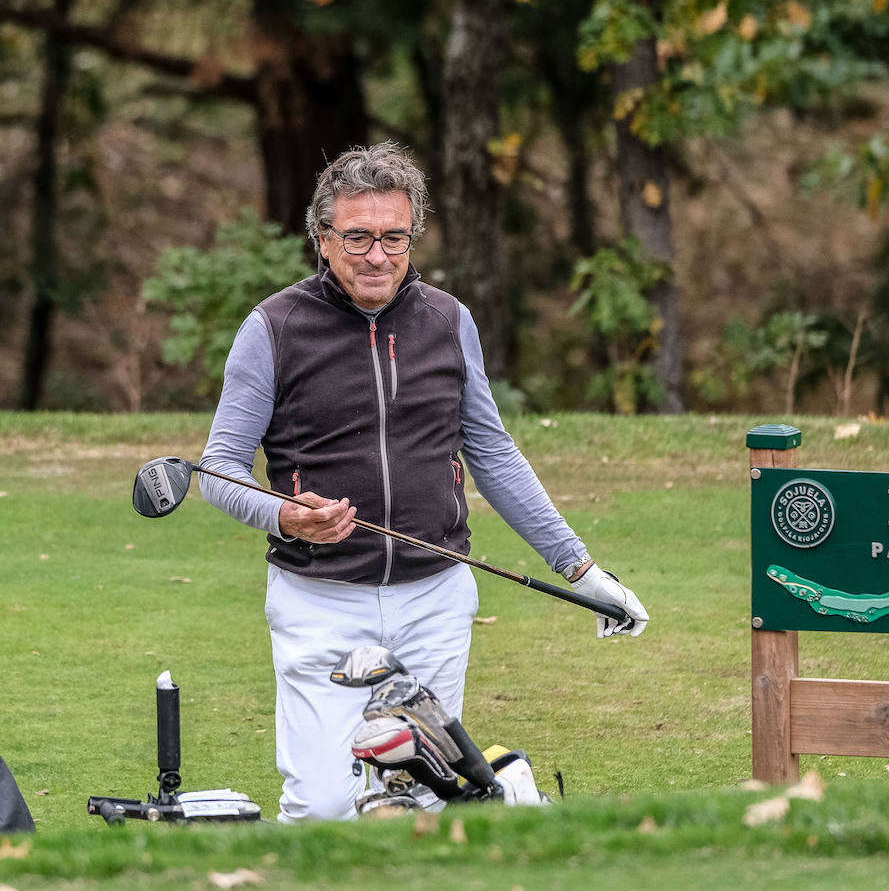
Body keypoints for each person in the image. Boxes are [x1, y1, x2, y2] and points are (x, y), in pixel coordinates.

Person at [199, 141, 648, 822]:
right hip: (320, 601)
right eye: (356, 238)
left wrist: (581, 570)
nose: (376, 256)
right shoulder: (274, 328)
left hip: (435, 598)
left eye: (393, 237)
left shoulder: (448, 321)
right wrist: (285, 515)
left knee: (424, 803)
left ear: (412, 237)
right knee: (324, 809)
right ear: (323, 240)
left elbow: (492, 453)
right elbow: (218, 469)